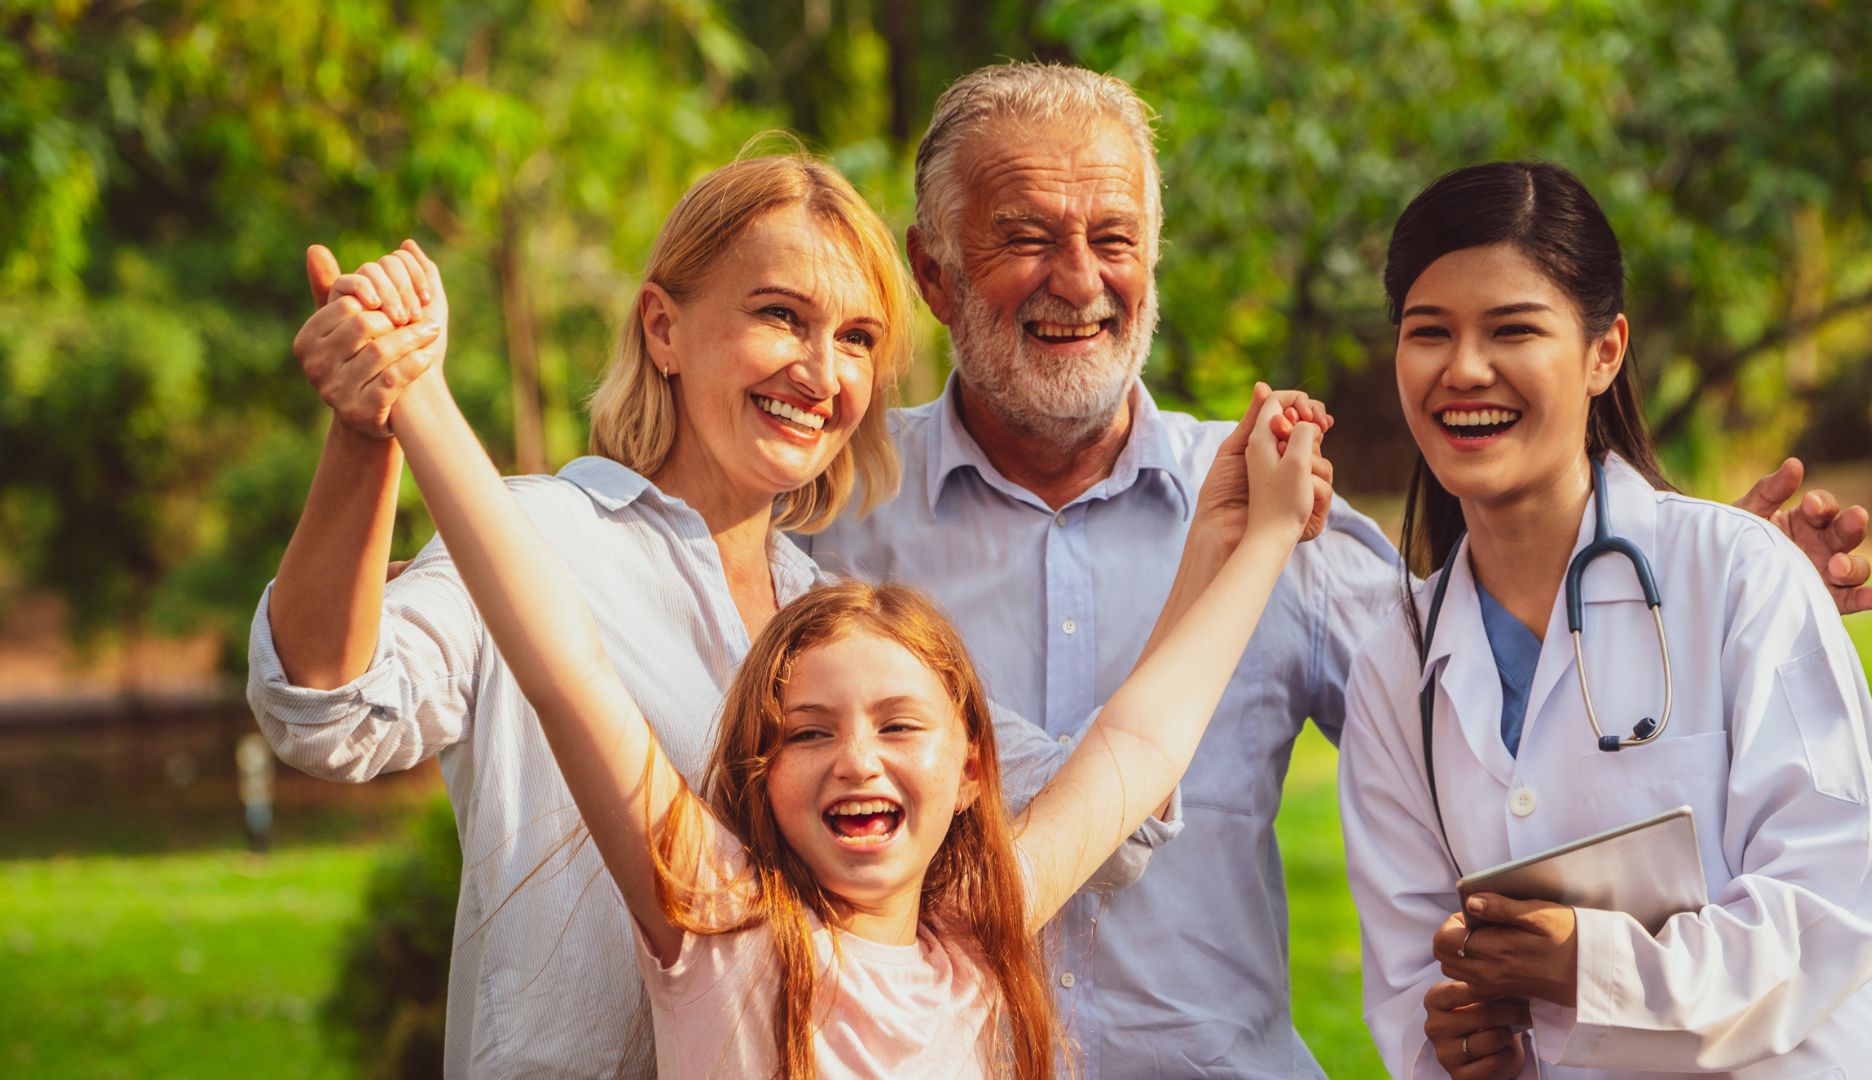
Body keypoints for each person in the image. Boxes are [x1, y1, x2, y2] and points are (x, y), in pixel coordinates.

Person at [803, 62, 1872, 1078]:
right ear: (933, 273)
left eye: (1116, 236)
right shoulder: (834, 532)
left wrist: (1702, 586)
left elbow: (1517, 721)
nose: (1079, 278)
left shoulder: (1279, 508)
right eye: (1025, 235)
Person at [246, 154, 1186, 1077]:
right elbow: (328, 710)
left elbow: (1104, 801)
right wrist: (370, 433)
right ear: (664, 328)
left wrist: (1233, 530)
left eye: (857, 339)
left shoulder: (835, 627)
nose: (822, 373)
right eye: (782, 315)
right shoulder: (533, 534)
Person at [378, 312, 1330, 1075]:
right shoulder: (721, 928)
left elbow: (1142, 746)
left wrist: (1262, 539)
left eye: (900, 724)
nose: (857, 758)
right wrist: (416, 399)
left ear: (969, 770)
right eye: (808, 734)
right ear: (760, 775)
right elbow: (564, 670)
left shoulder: (979, 937)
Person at [1336, 160, 1872, 1078]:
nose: (1465, 368)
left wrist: (1590, 965)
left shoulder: (1738, 574)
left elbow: (1833, 902)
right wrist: (1456, 1044)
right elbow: (1413, 979)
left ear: (1605, 353)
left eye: (1514, 328)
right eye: (1428, 332)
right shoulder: (1394, 665)